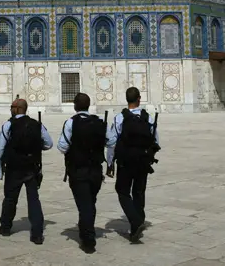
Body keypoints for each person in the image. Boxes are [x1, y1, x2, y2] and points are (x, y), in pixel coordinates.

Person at [57, 93, 115, 253]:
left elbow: (62, 146)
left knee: (85, 205)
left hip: (78, 170)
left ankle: (89, 240)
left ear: (75, 106)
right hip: (96, 171)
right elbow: (111, 141)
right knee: (90, 202)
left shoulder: (70, 123)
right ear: (88, 105)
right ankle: (85, 231)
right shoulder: (99, 122)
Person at [0, 99, 53, 245]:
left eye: (12, 106)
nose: (10, 109)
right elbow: (49, 143)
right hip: (32, 168)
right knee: (33, 200)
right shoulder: (36, 125)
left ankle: (6, 227)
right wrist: (37, 148)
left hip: (14, 168)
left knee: (10, 199)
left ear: (17, 109)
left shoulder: (8, 125)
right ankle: (37, 234)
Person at [106, 87, 160, 243]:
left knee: (122, 191)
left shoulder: (119, 118)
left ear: (126, 99)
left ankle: (135, 221)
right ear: (139, 99)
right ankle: (139, 221)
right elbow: (155, 140)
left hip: (125, 160)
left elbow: (112, 142)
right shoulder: (147, 118)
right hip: (143, 160)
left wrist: (110, 163)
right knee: (139, 190)